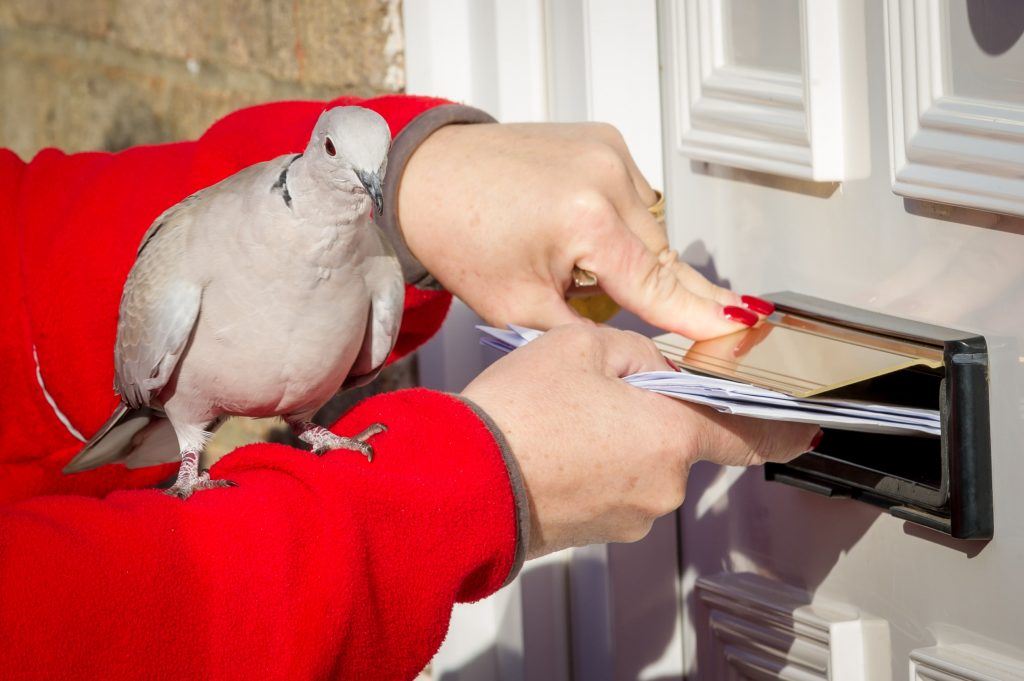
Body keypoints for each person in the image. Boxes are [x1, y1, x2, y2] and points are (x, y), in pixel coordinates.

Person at [0, 94, 818, 680]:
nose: (362, 187)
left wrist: (428, 179)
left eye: (372, 176)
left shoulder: (371, 272)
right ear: (315, 157)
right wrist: (472, 483)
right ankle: (182, 450)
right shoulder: (189, 264)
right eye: (346, 167)